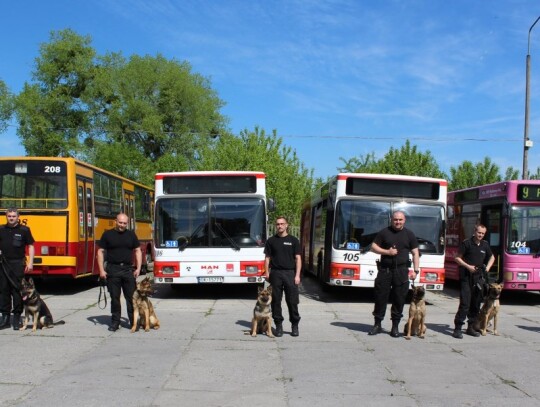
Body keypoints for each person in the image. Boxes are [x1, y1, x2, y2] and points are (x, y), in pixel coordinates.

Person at [368, 210, 420, 338]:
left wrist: (416, 270)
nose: (397, 222)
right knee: (380, 298)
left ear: (404, 220)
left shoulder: (409, 234)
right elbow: (373, 247)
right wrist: (387, 252)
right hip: (385, 270)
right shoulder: (384, 232)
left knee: (399, 299)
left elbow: (415, 253)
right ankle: (377, 325)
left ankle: (395, 327)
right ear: (392, 220)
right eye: (395, 219)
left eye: (400, 220)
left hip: (401, 271)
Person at [97, 213, 142, 331]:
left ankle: (133, 322)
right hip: (113, 270)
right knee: (115, 299)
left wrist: (138, 268)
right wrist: (101, 270)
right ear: (116, 221)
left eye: (125, 223)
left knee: (131, 298)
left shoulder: (131, 235)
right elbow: (100, 252)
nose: (122, 225)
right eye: (120, 222)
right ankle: (115, 322)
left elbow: (138, 250)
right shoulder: (107, 234)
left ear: (127, 223)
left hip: (128, 270)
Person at [452, 224, 495, 339]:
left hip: (479, 278)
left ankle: (470, 327)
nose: (480, 235)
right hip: (466, 277)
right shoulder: (466, 243)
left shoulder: (485, 245)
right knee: (465, 303)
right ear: (474, 231)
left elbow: (492, 257)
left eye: (482, 233)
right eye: (479, 232)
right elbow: (457, 258)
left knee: (476, 303)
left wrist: (487, 268)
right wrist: (468, 266)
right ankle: (457, 328)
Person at [264, 216, 302, 337]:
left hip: (290, 273)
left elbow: (298, 259)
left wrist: (297, 275)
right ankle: (278, 325)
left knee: (292, 301)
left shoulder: (294, 240)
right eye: (277, 224)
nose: (279, 226)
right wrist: (267, 272)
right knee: (275, 301)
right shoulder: (271, 241)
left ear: (287, 225)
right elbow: (267, 258)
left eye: (282, 224)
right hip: (275, 273)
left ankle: (294, 325)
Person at [0, 208, 35, 330]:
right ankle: (4, 318)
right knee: (4, 290)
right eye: (9, 216)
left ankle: (16, 318)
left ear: (18, 217)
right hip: (3, 264)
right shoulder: (1, 229)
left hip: (18, 264)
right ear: (6, 216)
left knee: (17, 291)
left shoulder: (24, 230)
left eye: (13, 216)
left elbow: (31, 246)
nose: (11, 218)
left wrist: (30, 263)